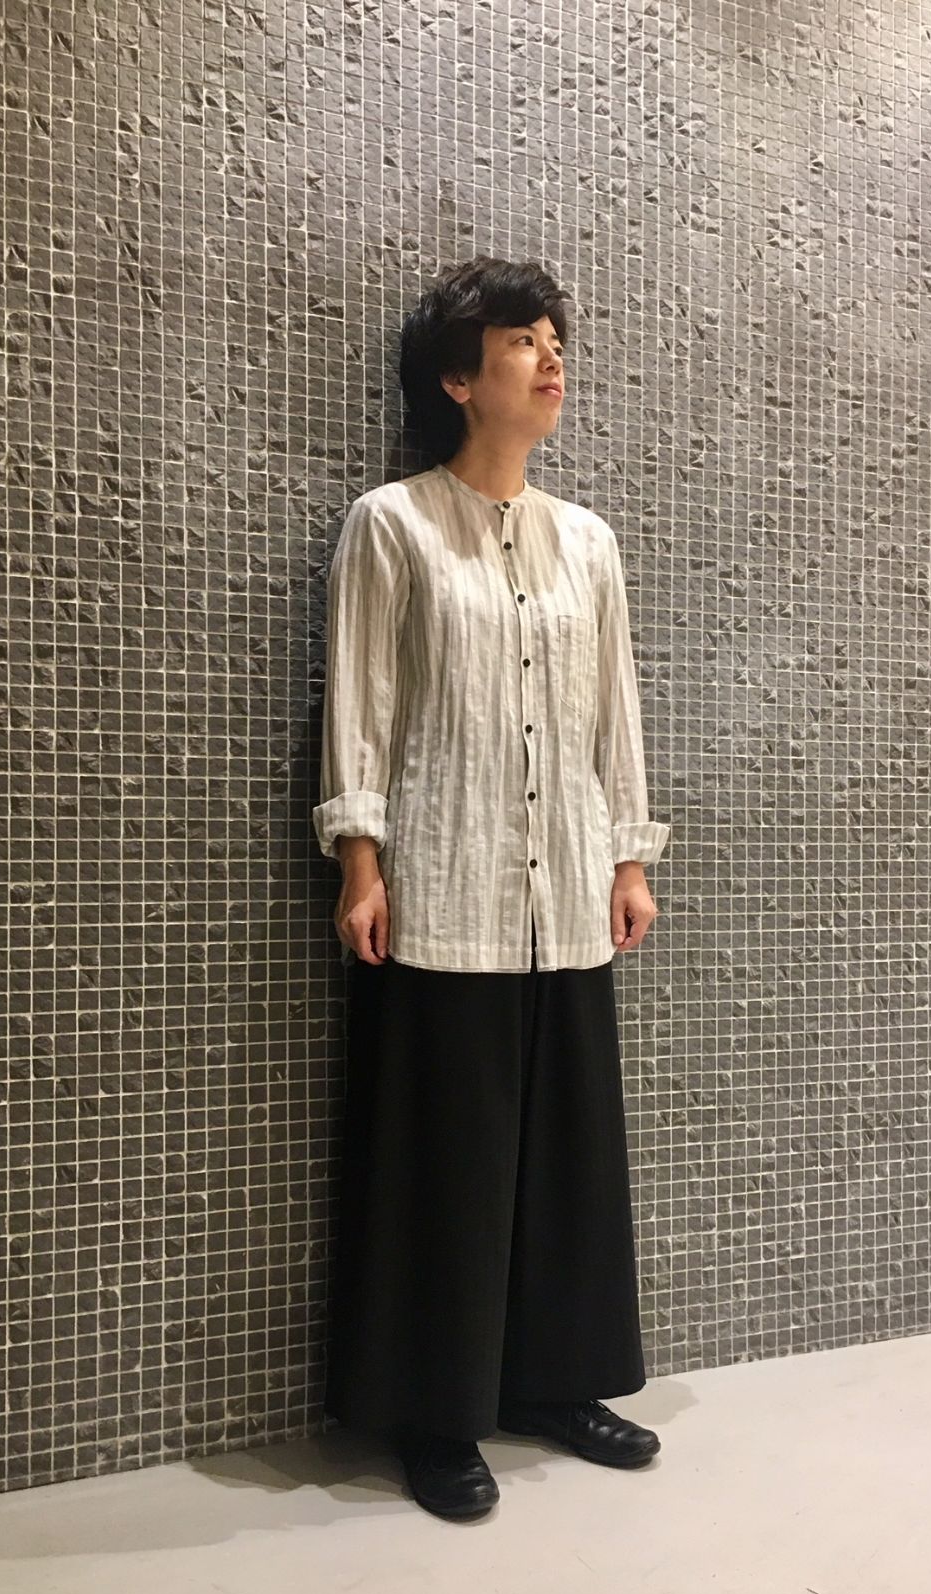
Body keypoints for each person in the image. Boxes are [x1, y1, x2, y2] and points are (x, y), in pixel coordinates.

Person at [315, 256, 671, 1521]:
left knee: (568, 1157)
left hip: (564, 887)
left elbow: (613, 709)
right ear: (459, 379)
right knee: (446, 1164)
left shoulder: (588, 543)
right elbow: (363, 704)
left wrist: (626, 856)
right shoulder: (392, 525)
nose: (549, 355)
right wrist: (361, 862)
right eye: (522, 339)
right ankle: (436, 1412)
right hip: (443, 888)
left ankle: (557, 1383)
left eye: (553, 336)